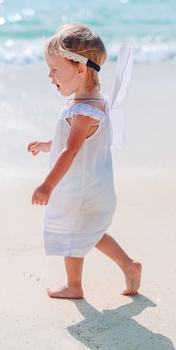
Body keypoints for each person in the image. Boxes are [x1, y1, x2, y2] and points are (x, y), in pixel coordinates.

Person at [28, 23, 142, 299]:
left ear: (80, 70)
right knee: (89, 233)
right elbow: (69, 142)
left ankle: (74, 286)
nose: (49, 75)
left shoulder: (83, 112)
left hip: (80, 190)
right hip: (92, 187)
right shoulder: (94, 104)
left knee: (73, 235)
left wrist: (47, 185)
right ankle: (128, 265)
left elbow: (71, 151)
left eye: (55, 69)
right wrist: (47, 145)